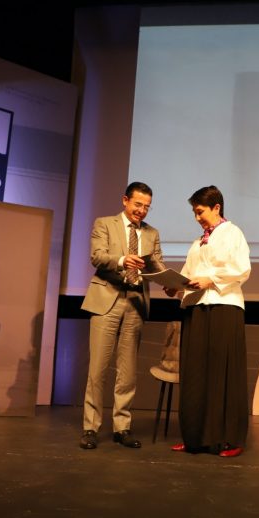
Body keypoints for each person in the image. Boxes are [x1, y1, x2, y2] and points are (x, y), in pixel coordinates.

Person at [79, 182, 165, 450]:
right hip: (108, 299)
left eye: (147, 207)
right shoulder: (104, 223)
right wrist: (121, 260)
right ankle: (91, 427)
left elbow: (157, 264)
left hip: (136, 302)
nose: (142, 211)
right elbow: (97, 256)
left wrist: (169, 281)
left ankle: (122, 427)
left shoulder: (152, 233)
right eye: (138, 204)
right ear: (125, 200)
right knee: (98, 370)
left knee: (127, 372)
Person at [167, 185, 251, 457]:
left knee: (222, 373)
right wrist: (175, 286)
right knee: (195, 373)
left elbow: (242, 269)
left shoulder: (233, 233)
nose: (197, 217)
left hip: (224, 306)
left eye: (200, 211)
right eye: (194, 212)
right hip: (196, 307)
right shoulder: (198, 242)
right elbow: (189, 274)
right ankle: (195, 437)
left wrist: (211, 279)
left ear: (216, 207)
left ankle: (229, 439)